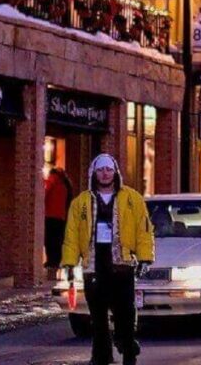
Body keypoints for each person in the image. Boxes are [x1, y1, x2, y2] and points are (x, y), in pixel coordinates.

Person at [62, 154, 154, 365]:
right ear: (94, 173)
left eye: (109, 169)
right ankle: (101, 357)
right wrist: (69, 262)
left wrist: (144, 258)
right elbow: (72, 235)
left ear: (115, 172)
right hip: (94, 268)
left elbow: (144, 231)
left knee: (125, 315)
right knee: (98, 319)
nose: (105, 174)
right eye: (101, 170)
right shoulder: (81, 203)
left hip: (121, 267)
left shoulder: (132, 198)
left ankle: (127, 347)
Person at [44, 167, 73, 275]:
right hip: (61, 216)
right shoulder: (66, 184)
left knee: (49, 240)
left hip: (50, 215)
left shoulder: (52, 179)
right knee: (58, 240)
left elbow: (45, 192)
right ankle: (57, 261)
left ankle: (51, 262)